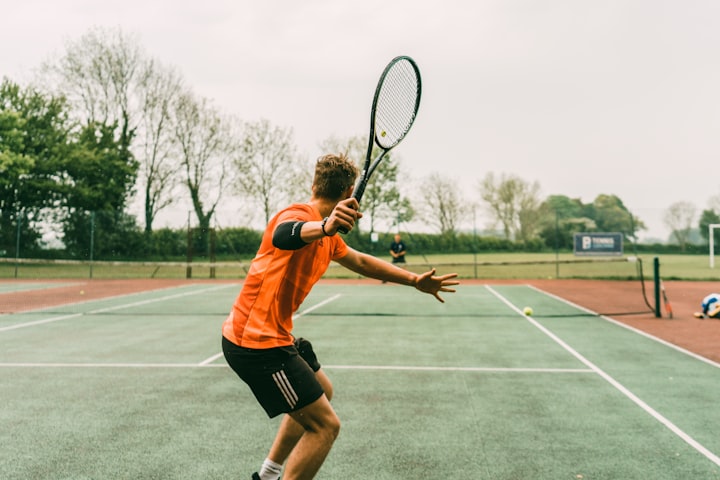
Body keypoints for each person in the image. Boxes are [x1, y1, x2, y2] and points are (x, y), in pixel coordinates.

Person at [221, 153, 459, 480]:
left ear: (315, 184)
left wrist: (414, 280)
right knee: (325, 427)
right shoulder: (299, 215)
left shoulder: (329, 238)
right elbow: (283, 234)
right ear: (350, 192)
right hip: (255, 346)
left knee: (323, 391)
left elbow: (360, 262)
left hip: (271, 336)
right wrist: (324, 225)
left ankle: (268, 474)